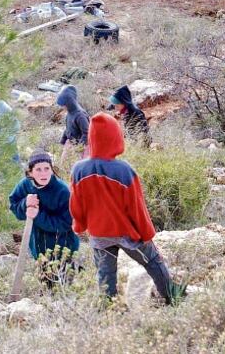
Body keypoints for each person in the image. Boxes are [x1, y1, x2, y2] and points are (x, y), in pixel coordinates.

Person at [70, 113, 175, 304]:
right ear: (116, 137)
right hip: (126, 233)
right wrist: (146, 234)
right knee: (153, 261)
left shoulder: (78, 170)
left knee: (105, 273)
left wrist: (79, 226)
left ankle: (108, 309)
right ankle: (172, 297)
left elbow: (76, 204)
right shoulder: (124, 170)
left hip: (98, 233)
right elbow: (136, 208)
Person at [8, 151, 80, 286]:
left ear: (52, 170)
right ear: (30, 173)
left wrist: (38, 216)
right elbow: (14, 206)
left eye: (47, 169)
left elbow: (66, 223)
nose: (43, 173)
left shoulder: (63, 191)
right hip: (38, 246)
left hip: (63, 247)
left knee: (62, 287)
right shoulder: (25, 185)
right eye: (38, 169)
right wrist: (25, 203)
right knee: (46, 286)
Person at [57, 85, 90, 149]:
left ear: (69, 103)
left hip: (80, 146)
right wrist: (62, 142)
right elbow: (68, 130)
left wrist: (79, 148)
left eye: (63, 105)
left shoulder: (80, 115)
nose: (62, 107)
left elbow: (87, 133)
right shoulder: (69, 113)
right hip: (71, 143)